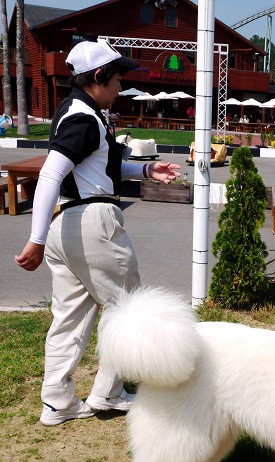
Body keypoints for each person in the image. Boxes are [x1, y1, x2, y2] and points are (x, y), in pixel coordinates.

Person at [14, 39, 182, 426]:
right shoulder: (84, 118)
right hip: (92, 223)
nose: (120, 89)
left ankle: (57, 402)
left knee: (69, 318)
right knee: (130, 307)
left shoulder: (74, 111)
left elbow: (92, 170)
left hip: (66, 225)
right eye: (117, 79)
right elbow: (51, 173)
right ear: (98, 76)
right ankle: (109, 392)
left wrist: (144, 171)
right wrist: (34, 239)